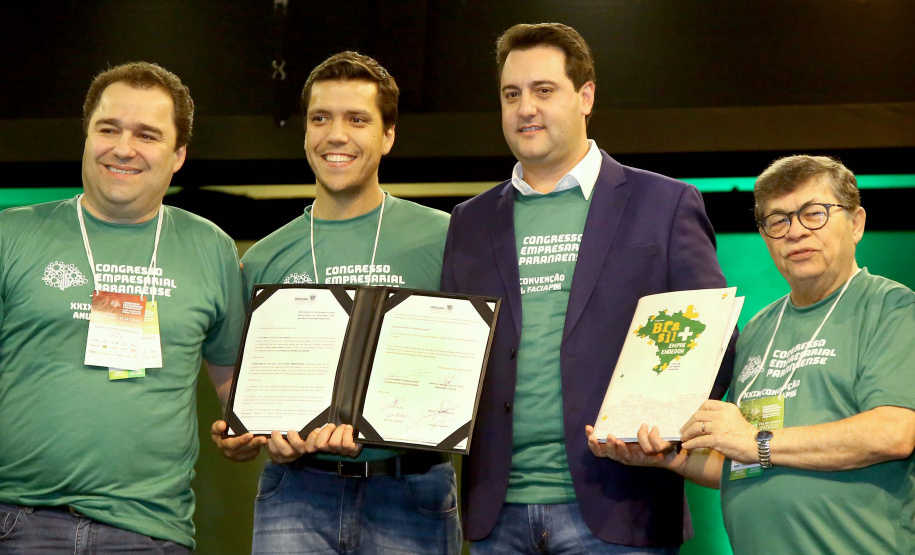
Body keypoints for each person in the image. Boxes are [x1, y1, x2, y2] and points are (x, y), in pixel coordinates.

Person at [441, 23, 734, 553]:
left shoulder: (664, 204)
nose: (526, 108)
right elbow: (449, 354)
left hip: (623, 505)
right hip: (495, 514)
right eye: (512, 94)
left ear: (586, 97)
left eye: (543, 90)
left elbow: (713, 339)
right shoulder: (470, 221)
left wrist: (668, 428)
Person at [589, 155, 915, 554]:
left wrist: (756, 441)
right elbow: (740, 461)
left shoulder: (893, 308)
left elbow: (893, 433)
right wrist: (669, 459)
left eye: (814, 214)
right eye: (777, 220)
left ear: (856, 223)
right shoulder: (758, 328)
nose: (795, 231)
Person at [210, 51, 460, 554]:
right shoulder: (262, 259)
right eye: (321, 118)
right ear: (306, 132)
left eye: (357, 120)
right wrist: (252, 432)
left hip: (413, 491)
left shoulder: (448, 238)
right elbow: (242, 392)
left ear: (388, 135)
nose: (336, 135)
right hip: (295, 492)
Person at [0, 62, 246, 552]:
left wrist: (247, 431)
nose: (123, 148)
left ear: (178, 155)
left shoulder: (211, 247)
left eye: (147, 135)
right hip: (17, 519)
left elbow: (234, 384)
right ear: (87, 135)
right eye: (108, 129)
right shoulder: (12, 233)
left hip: (149, 529)